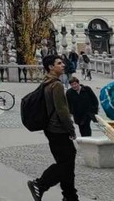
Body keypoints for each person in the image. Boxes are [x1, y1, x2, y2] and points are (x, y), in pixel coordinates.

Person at [28, 54, 79, 201]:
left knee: (66, 164)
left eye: (62, 63)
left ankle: (70, 196)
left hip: (50, 129)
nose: (63, 65)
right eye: (59, 63)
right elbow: (62, 110)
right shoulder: (56, 84)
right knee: (65, 164)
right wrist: (71, 129)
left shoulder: (46, 82)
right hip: (58, 130)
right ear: (51, 67)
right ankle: (40, 184)